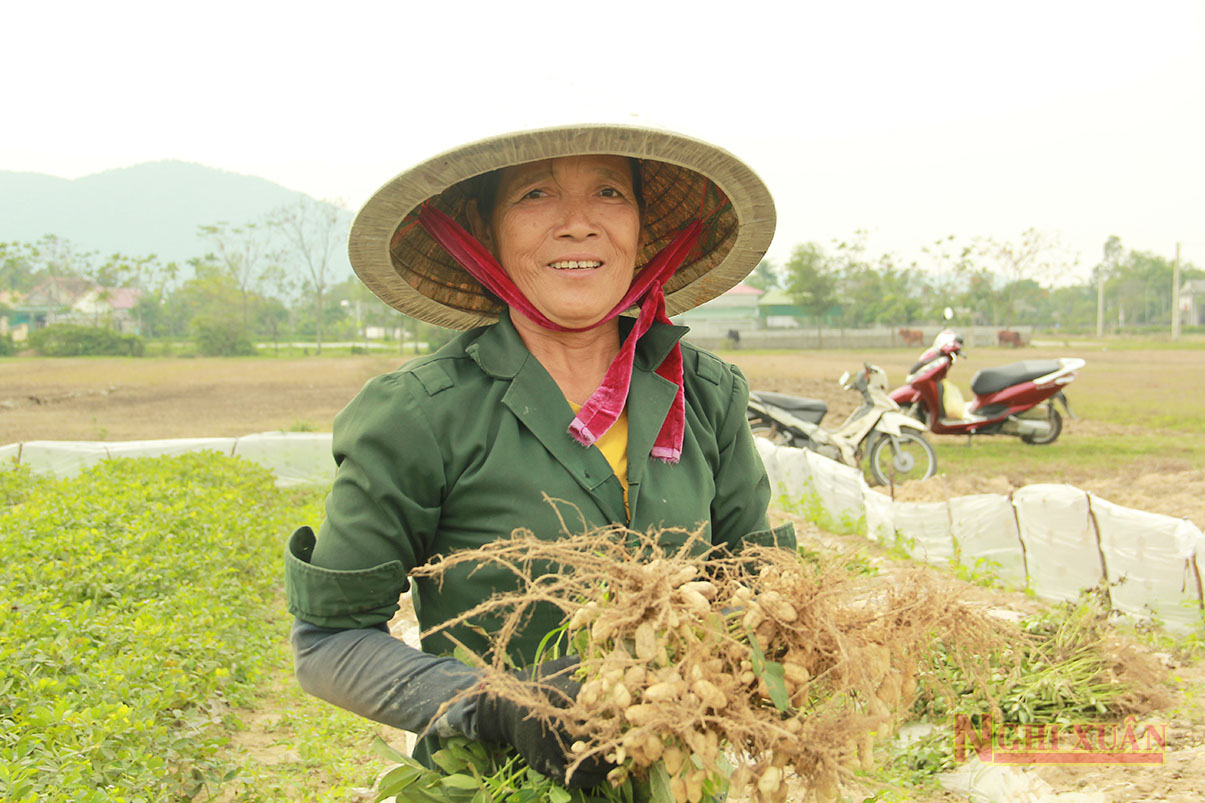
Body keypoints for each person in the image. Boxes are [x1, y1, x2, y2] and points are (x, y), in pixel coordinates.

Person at [284, 124, 795, 790]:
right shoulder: (420, 414)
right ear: (484, 230)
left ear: (641, 228)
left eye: (608, 192)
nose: (577, 224)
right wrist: (495, 703)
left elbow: (763, 591)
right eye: (535, 194)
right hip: (498, 783)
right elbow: (328, 643)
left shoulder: (703, 393)